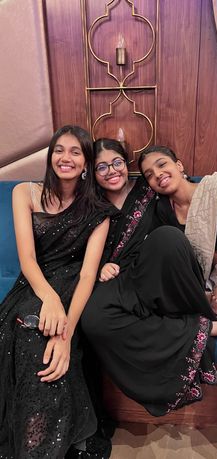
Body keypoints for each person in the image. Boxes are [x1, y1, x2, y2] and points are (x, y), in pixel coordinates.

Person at [81, 138, 217, 420]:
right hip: (118, 277)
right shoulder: (89, 203)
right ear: (92, 172)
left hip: (159, 272)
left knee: (167, 238)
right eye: (101, 167)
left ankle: (204, 325)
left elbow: (173, 249)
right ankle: (202, 328)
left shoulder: (150, 192)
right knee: (93, 318)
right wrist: (103, 265)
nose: (110, 171)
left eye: (116, 162)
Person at [0, 126, 115, 459]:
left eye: (76, 152)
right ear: (51, 156)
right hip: (36, 282)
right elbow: (28, 259)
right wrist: (49, 298)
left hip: (73, 286)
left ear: (86, 164)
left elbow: (88, 273)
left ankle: (41, 444)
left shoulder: (99, 212)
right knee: (23, 328)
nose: (66, 157)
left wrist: (66, 334)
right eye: (59, 150)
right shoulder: (25, 192)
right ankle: (33, 438)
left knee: (44, 336)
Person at [138, 145, 217, 325]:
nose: (158, 174)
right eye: (149, 175)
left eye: (162, 165)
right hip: (208, 282)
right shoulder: (163, 210)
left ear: (179, 166)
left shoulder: (216, 189)